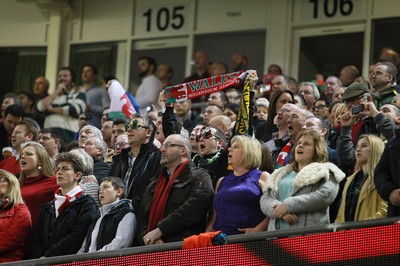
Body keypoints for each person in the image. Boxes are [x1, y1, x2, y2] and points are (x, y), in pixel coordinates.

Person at [260, 130, 345, 230]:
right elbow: (265, 199)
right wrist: (280, 210)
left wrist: (288, 205)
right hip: (275, 235)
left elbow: (326, 195)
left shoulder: (326, 170)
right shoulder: (280, 172)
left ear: (317, 149)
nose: (300, 146)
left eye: (307, 144)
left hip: (308, 238)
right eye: (299, 143)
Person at [138, 134, 213, 245]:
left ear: (183, 150)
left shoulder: (199, 176)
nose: (162, 149)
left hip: (183, 247)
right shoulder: (154, 182)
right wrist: (149, 237)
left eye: (169, 145)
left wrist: (160, 230)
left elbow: (193, 209)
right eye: (162, 146)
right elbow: (142, 216)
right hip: (152, 248)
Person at [30, 152, 99, 258]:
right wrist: (40, 258)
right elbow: (36, 238)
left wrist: (48, 256)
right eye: (58, 169)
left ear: (78, 175)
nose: (59, 172)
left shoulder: (87, 204)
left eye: (65, 169)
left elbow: (78, 237)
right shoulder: (47, 207)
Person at [206, 135, 269, 235]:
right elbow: (214, 216)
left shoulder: (263, 176)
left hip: (249, 242)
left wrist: (258, 230)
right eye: (231, 146)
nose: (230, 149)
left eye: (236, 147)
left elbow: (273, 208)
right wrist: (207, 235)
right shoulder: (221, 181)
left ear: (249, 152)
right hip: (220, 242)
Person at [109, 115, 161, 211]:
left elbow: (154, 190)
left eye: (134, 125)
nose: (129, 129)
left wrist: (129, 205)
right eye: (128, 126)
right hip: (115, 213)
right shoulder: (119, 159)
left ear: (148, 132)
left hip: (140, 214)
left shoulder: (157, 158)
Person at [335, 135, 386, 223]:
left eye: (364, 145)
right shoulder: (350, 180)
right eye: (357, 146)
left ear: (376, 149)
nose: (358, 149)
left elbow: (385, 210)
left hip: (371, 233)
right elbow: (341, 213)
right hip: (347, 234)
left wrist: (361, 227)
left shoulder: (384, 178)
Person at [79, 177, 136, 253]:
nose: (100, 191)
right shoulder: (97, 216)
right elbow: (85, 245)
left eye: (105, 187)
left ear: (119, 192)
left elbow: (121, 243)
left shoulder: (126, 213)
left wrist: (94, 257)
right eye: (99, 189)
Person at [36, 67, 86, 143]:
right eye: (60, 76)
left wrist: (51, 109)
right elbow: (40, 107)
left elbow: (75, 110)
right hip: (48, 134)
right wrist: (56, 92)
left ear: (72, 79)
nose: (62, 78)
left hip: (68, 135)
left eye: (65, 76)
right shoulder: (52, 96)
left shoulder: (78, 94)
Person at [19, 141, 57, 228]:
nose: (23, 157)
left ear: (40, 161)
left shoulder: (55, 181)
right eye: (21, 155)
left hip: (40, 235)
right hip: (16, 234)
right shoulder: (16, 184)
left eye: (29, 154)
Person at [0, 170, 32, 263]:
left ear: (12, 185)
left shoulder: (21, 210)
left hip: (9, 262)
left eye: (2, 180)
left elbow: (11, 240)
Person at [81, 64, 110, 129]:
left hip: (95, 129)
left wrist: (90, 108)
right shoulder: (77, 92)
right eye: (83, 71)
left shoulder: (101, 91)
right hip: (77, 130)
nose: (84, 73)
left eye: (88, 71)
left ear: (94, 76)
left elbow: (107, 111)